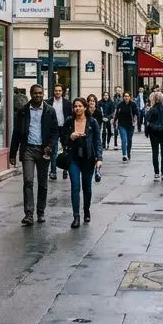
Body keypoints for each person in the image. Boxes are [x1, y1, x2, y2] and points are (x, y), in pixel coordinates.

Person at [10, 84, 57, 225]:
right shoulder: (23, 111)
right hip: (28, 150)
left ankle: (40, 212)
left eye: (40, 93)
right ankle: (29, 214)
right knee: (28, 181)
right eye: (35, 93)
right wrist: (12, 153)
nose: (38, 95)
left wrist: (50, 146)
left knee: (42, 184)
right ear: (31, 94)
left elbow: (55, 132)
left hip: (44, 150)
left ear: (43, 94)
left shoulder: (50, 111)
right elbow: (16, 133)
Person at [63, 97, 103, 228]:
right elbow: (63, 138)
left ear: (85, 107)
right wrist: (70, 136)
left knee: (87, 187)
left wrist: (99, 159)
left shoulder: (92, 122)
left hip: (88, 158)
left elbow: (97, 141)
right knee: (75, 187)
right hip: (73, 158)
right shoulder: (69, 121)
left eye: (80, 106)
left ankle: (86, 210)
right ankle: (76, 216)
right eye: (75, 106)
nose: (77, 108)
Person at [144, 91, 163, 180]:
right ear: (162, 99)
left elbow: (146, 121)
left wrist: (147, 132)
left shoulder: (151, 109)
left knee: (155, 152)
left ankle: (156, 172)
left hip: (154, 132)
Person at [48, 84, 69, 181]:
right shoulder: (48, 102)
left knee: (65, 150)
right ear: (54, 91)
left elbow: (70, 116)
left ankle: (65, 169)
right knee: (53, 151)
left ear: (62, 92)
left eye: (59, 90)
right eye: (56, 90)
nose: (57, 92)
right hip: (53, 129)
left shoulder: (67, 103)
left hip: (64, 128)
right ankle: (53, 171)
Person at [114, 91, 138, 163]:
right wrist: (115, 122)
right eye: (125, 96)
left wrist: (135, 120)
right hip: (122, 125)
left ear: (130, 97)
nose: (126, 97)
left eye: (127, 96)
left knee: (129, 140)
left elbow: (136, 113)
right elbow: (117, 114)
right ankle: (124, 155)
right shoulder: (120, 105)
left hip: (130, 125)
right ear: (123, 97)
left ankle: (128, 153)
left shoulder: (133, 104)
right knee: (124, 140)